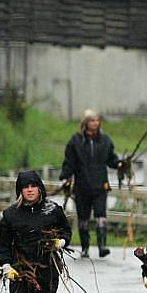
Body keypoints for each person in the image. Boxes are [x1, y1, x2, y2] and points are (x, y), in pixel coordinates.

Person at [59, 109, 122, 258]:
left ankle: (102, 246)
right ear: (86, 122)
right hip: (82, 186)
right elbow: (69, 162)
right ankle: (85, 247)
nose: (95, 123)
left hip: (100, 185)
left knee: (101, 215)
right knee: (83, 218)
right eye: (92, 120)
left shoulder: (105, 140)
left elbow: (111, 159)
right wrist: (65, 177)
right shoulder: (76, 141)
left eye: (97, 120)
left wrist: (120, 164)